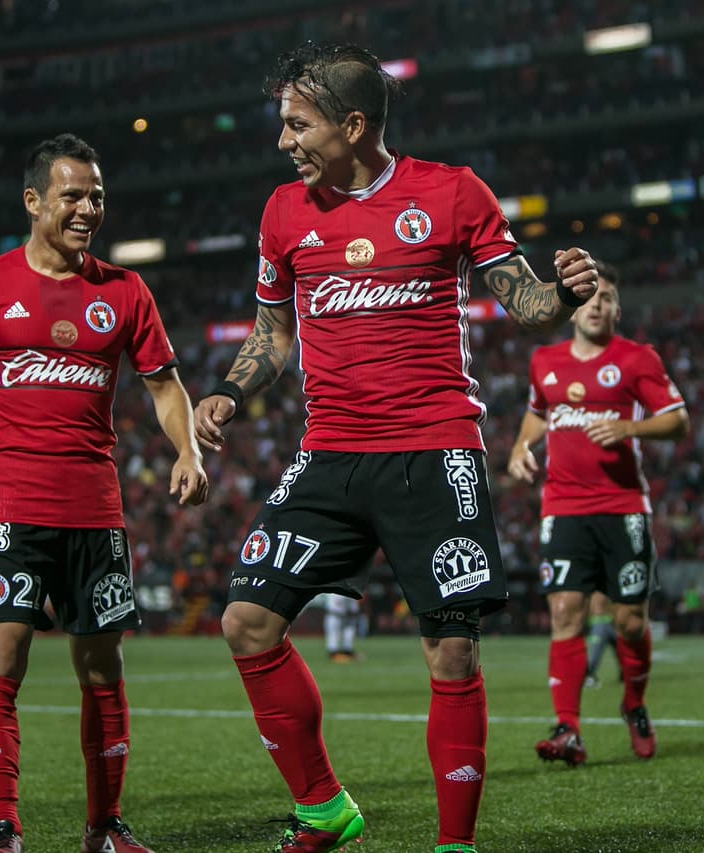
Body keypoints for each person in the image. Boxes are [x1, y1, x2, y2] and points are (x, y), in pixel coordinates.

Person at [193, 43, 598, 853]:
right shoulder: (283, 213)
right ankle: (323, 808)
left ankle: (454, 846)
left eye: (297, 125)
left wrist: (564, 291)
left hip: (433, 449)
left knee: (450, 650)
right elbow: (273, 334)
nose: (284, 141)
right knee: (246, 620)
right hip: (331, 453)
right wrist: (229, 392)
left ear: (351, 125)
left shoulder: (451, 192)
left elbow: (524, 301)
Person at [0, 133, 208, 853]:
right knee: (2, 655)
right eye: (73, 195)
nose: (88, 208)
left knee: (102, 667)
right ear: (34, 201)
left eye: (97, 196)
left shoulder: (125, 291)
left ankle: (105, 826)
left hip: (95, 511)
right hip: (10, 506)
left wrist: (187, 449)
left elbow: (165, 387)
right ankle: (2, 827)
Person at [507, 262, 689, 766]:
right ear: (572, 308)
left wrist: (629, 429)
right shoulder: (544, 360)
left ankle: (634, 703)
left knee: (629, 621)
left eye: (606, 297)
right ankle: (568, 728)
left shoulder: (636, 359)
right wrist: (521, 447)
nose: (596, 304)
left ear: (616, 310)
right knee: (565, 612)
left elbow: (677, 421)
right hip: (563, 506)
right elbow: (538, 413)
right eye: (589, 296)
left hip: (623, 506)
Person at [583, 590, 618, 688]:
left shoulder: (591, 591)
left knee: (623, 651)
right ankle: (588, 677)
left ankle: (625, 675)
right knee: (594, 655)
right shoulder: (595, 591)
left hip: (608, 622)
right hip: (599, 623)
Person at [322, 593, 362, 663]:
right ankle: (334, 655)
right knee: (334, 635)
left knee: (348, 634)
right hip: (334, 615)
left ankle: (347, 653)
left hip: (346, 615)